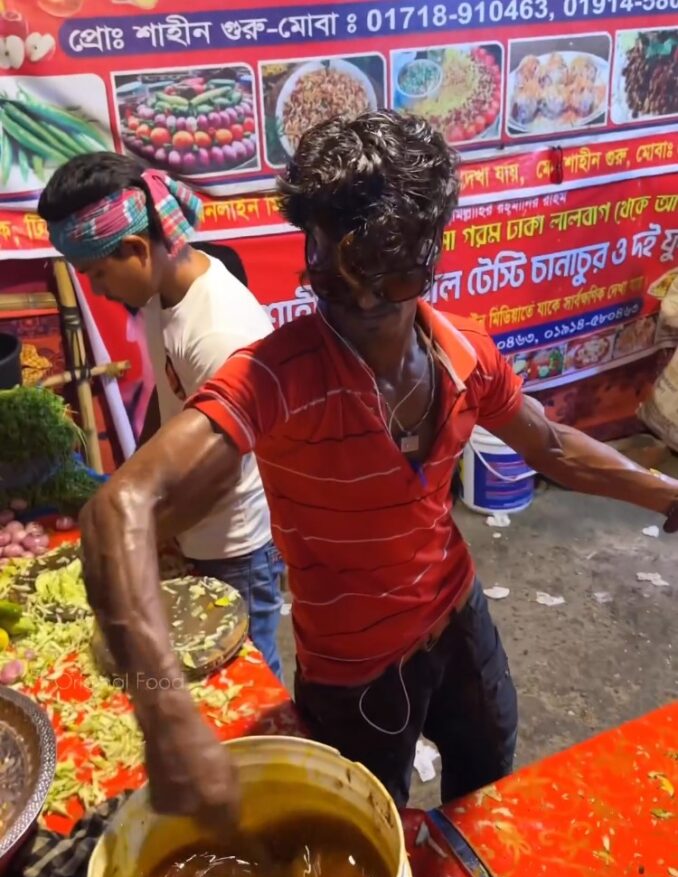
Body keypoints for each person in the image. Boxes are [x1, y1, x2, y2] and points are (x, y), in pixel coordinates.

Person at [49, 112, 677, 823]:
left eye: (391, 270)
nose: (369, 300)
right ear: (311, 253)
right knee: (369, 824)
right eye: (337, 280)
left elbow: (554, 448)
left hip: (460, 625)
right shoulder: (275, 375)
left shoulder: (464, 352)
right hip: (352, 674)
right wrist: (166, 718)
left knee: (488, 793)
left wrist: (666, 494)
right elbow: (116, 509)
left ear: (428, 252)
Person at [38, 155, 284, 678]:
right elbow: (167, 399)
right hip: (191, 526)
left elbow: (220, 475)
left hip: (234, 546)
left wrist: (137, 538)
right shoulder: (162, 294)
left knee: (245, 677)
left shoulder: (220, 333)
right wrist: (132, 484)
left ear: (134, 249)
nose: (97, 290)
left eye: (98, 273)